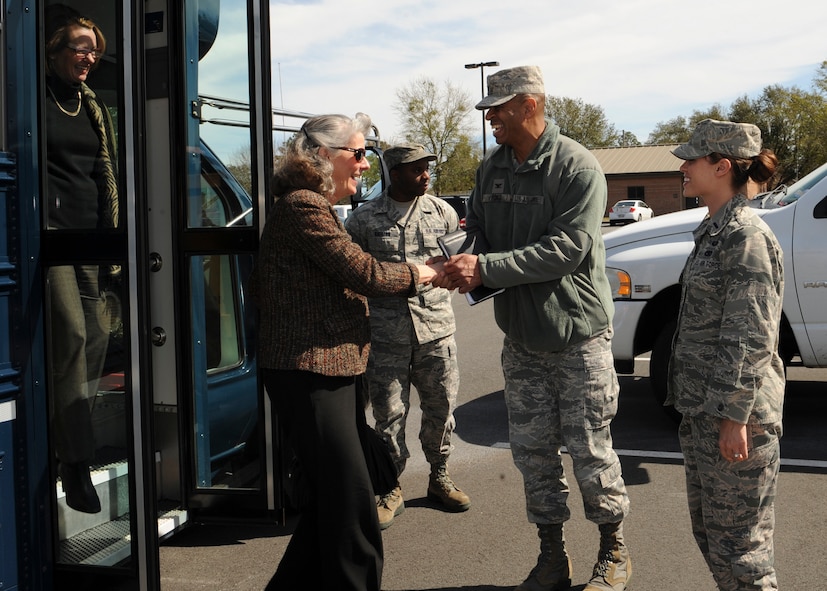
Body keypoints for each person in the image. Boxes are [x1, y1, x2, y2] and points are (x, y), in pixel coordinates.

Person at [433, 65, 631, 591]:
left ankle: (613, 550)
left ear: (531, 105)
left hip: (576, 335)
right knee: (533, 453)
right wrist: (459, 260)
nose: (491, 117)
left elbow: (570, 249)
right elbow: (477, 229)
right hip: (521, 337)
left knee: (590, 448)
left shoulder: (577, 167)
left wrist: (487, 269)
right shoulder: (491, 168)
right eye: (489, 109)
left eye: (499, 107)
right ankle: (552, 558)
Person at [249, 113, 441, 591]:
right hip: (310, 374)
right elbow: (366, 274)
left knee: (330, 507)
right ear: (320, 156)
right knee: (354, 511)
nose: (364, 164)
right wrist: (427, 272)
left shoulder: (310, 206)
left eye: (366, 154)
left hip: (329, 373)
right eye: (357, 153)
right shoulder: (303, 208)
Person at [667, 119, 784, 591]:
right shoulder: (714, 230)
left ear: (721, 167)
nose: (683, 168)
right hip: (704, 412)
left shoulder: (745, 237)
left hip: (736, 419)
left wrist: (734, 418)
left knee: (743, 554)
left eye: (691, 160)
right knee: (715, 539)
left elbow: (750, 337)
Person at [345, 143, 470, 530]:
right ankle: (389, 486)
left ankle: (439, 476)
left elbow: (458, 262)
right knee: (388, 417)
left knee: (441, 409)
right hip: (385, 338)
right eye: (416, 169)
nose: (425, 175)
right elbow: (352, 277)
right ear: (394, 173)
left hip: (436, 331)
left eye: (426, 168)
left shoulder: (443, 212)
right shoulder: (363, 221)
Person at [43, 5, 119, 514]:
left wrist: (112, 237)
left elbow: (103, 172)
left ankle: (69, 441)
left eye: (95, 50)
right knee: (70, 335)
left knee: (96, 337)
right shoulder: (33, 99)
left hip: (91, 238)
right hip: (50, 239)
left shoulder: (91, 104)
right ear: (54, 50)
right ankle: (75, 462)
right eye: (81, 47)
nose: (90, 56)